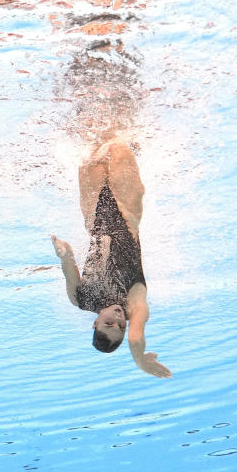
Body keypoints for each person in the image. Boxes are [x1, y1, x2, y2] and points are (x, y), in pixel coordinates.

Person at [51, 139, 172, 378]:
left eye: (109, 324)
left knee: (93, 147)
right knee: (118, 144)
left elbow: (68, 265)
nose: (117, 319)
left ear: (95, 323)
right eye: (121, 326)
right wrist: (140, 359)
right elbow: (137, 335)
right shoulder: (134, 303)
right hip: (128, 215)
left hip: (93, 215)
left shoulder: (80, 299)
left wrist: (63, 253)